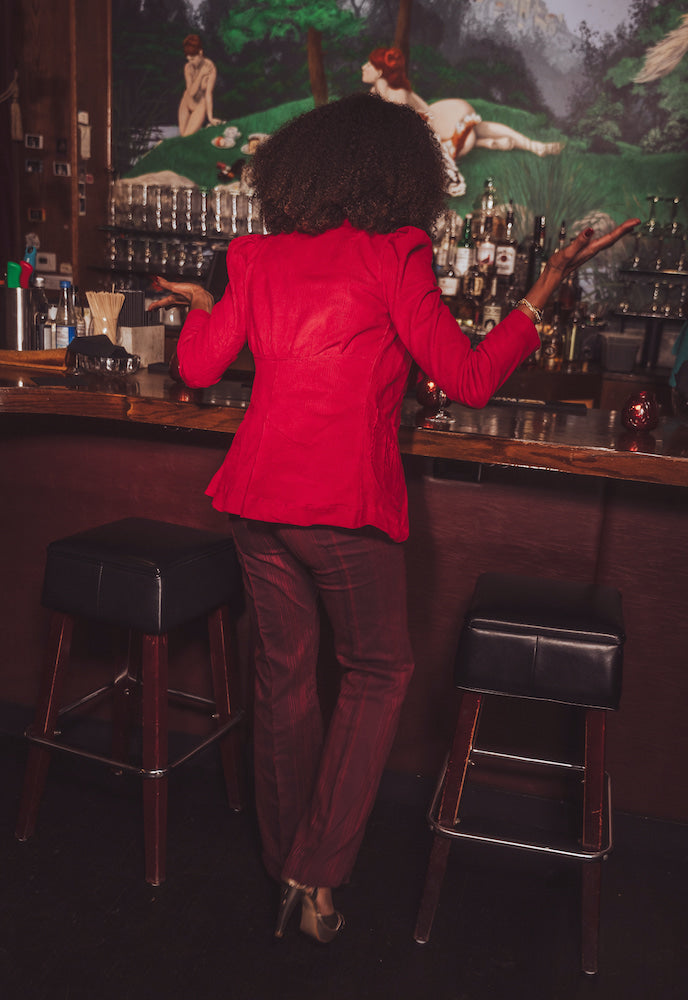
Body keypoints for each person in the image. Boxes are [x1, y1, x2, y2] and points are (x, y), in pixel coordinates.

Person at [149, 92, 637, 943]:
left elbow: (198, 367)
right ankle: (317, 870)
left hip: (257, 503)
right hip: (342, 508)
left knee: (283, 677)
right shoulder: (396, 252)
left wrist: (202, 300)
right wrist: (544, 291)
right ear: (397, 176)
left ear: (298, 173)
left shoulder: (255, 258)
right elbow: (471, 377)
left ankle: (285, 871)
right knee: (378, 671)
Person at [362, 47, 565, 161]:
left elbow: (402, 132)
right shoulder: (376, 93)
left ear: (380, 72)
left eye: (369, 65)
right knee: (478, 131)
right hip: (435, 126)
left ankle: (531, 145)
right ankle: (528, 145)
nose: (363, 67)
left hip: (440, 122)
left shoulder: (397, 95)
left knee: (474, 129)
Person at [178, 34, 221, 137]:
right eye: (188, 59)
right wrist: (201, 74)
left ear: (200, 53)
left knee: (187, 137)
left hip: (200, 105)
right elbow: (191, 92)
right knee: (182, 135)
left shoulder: (210, 68)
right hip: (186, 101)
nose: (190, 62)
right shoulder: (188, 67)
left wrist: (210, 117)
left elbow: (208, 94)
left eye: (193, 58)